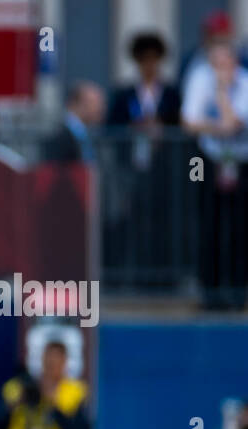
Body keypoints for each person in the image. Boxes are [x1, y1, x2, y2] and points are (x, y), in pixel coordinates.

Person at [105, 33, 183, 288]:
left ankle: (164, 277)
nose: (149, 65)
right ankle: (135, 275)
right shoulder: (125, 94)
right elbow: (112, 127)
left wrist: (161, 128)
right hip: (134, 166)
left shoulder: (171, 94)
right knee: (133, 221)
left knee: (163, 220)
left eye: (154, 59)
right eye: (144, 60)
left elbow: (180, 124)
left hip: (163, 168)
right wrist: (133, 128)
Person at [182, 35, 248, 310]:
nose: (220, 69)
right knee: (208, 221)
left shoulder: (244, 82)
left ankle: (236, 290)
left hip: (241, 162)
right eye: (215, 63)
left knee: (239, 225)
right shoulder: (199, 78)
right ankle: (209, 290)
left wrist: (222, 94)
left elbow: (235, 122)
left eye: (225, 62)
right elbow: (189, 122)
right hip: (205, 160)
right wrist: (217, 126)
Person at [42, 81, 106, 162]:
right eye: (94, 104)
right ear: (78, 104)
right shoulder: (59, 135)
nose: (100, 109)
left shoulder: (87, 133)